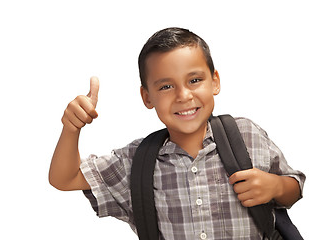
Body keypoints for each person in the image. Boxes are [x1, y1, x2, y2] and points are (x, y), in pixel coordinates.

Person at [49, 27, 305, 239]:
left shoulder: (245, 134)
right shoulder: (136, 162)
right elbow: (65, 178)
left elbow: (294, 186)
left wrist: (276, 186)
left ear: (214, 81)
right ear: (146, 97)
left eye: (194, 80)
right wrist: (71, 128)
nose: (183, 96)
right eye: (166, 86)